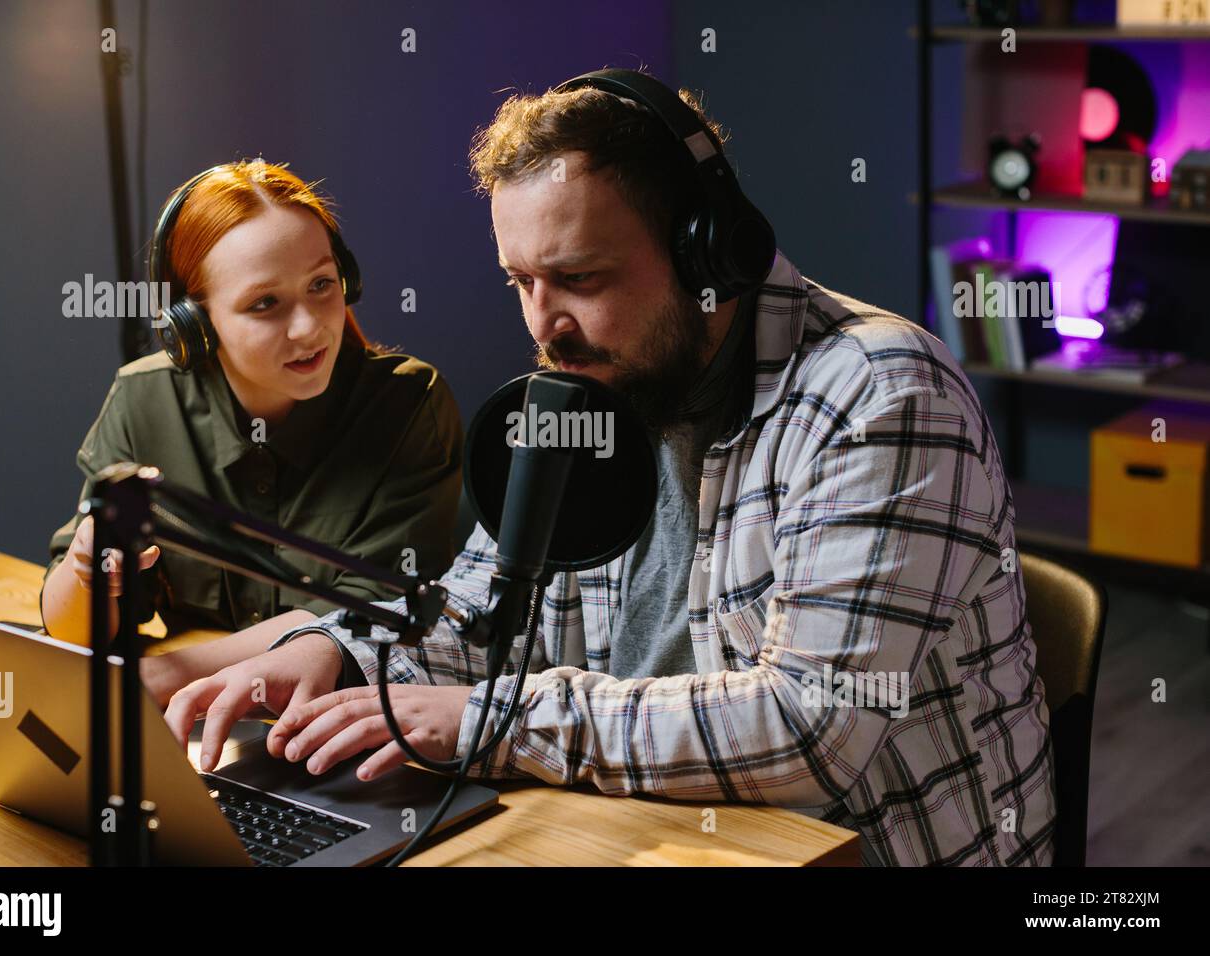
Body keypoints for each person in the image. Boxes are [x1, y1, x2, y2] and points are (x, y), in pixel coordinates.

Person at [156, 74, 1055, 866]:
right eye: (520, 282)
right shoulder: (586, 392)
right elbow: (481, 610)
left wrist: (487, 722)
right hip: (643, 833)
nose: (543, 326)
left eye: (579, 278)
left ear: (709, 251)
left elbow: (809, 730)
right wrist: (334, 648)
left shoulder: (878, 396)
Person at [40, 160, 463, 704]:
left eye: (321, 285)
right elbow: (75, 628)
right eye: (265, 303)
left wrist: (171, 675)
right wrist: (84, 571)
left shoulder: (409, 403)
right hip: (193, 723)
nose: (310, 327)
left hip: (336, 716)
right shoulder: (144, 399)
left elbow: (372, 611)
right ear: (194, 325)